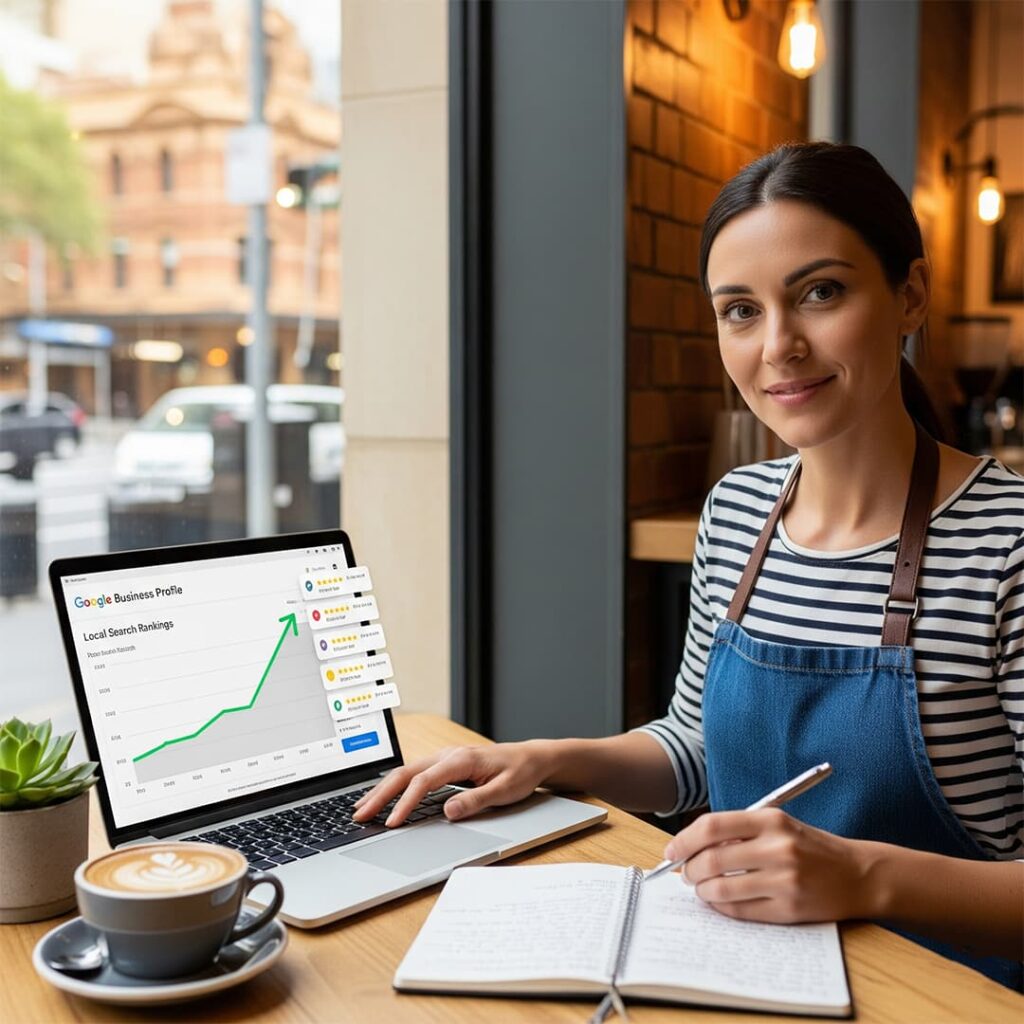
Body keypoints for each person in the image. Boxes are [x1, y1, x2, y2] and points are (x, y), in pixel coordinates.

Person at [354, 142, 1023, 989]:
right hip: (741, 978)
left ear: (910, 295)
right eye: (740, 310)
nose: (778, 345)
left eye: (821, 292)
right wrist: (546, 759)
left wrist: (863, 876)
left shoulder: (1007, 544)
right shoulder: (737, 512)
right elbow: (697, 749)